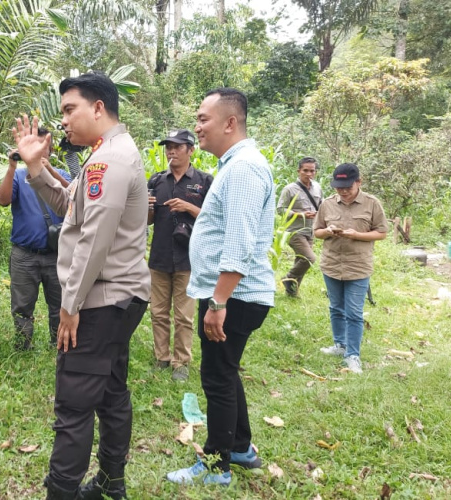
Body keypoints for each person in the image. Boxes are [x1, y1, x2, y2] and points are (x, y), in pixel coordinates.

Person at [13, 72, 151, 500]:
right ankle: (112, 480)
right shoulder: (106, 154)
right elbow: (70, 207)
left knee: (73, 403)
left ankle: (62, 492)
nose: (65, 121)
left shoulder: (110, 160)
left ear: (98, 107)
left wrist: (69, 305)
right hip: (118, 296)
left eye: (70, 109)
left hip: (101, 299)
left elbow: (94, 240)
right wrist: (35, 166)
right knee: (110, 390)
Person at [166, 88, 274, 487]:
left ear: (230, 123)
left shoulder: (244, 168)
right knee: (225, 372)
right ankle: (241, 448)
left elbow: (241, 242)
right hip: (230, 293)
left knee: (215, 377)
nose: (197, 127)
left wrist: (218, 300)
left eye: (202, 119)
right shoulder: (236, 164)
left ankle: (217, 466)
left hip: (233, 295)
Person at [0, 128, 71, 350]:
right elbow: (3, 200)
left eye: (42, 146)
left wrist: (49, 171)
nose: (37, 150)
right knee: (22, 304)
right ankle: (23, 344)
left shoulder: (62, 174)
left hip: (57, 253)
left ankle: (58, 344)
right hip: (24, 253)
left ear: (49, 149)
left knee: (59, 304)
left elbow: (76, 197)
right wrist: (11, 166)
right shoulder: (19, 176)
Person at [147, 129, 213, 381]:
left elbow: (214, 219)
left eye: (177, 147)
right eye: (168, 147)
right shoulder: (156, 181)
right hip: (160, 256)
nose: (171, 151)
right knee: (158, 312)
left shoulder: (204, 181)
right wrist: (149, 209)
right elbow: (148, 221)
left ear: (191, 150)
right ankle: (162, 358)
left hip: (188, 258)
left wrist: (188, 207)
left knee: (184, 315)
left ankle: (181, 362)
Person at [314, 163, 388, 374]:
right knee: (336, 307)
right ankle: (340, 345)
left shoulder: (372, 204)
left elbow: (381, 232)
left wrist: (356, 235)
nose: (343, 191)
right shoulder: (327, 204)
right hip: (332, 264)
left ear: (358, 182)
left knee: (354, 312)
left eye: (347, 186)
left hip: (358, 265)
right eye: (339, 187)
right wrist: (328, 230)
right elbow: (316, 231)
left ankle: (353, 355)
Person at [277, 157, 323, 297]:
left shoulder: (317, 187)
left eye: (312, 171)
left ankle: (292, 292)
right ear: (299, 171)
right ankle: (287, 279)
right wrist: (300, 214)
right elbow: (280, 209)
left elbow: (321, 205)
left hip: (310, 230)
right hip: (294, 231)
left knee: (301, 260)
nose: (309, 174)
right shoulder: (290, 189)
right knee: (309, 258)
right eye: (305, 171)